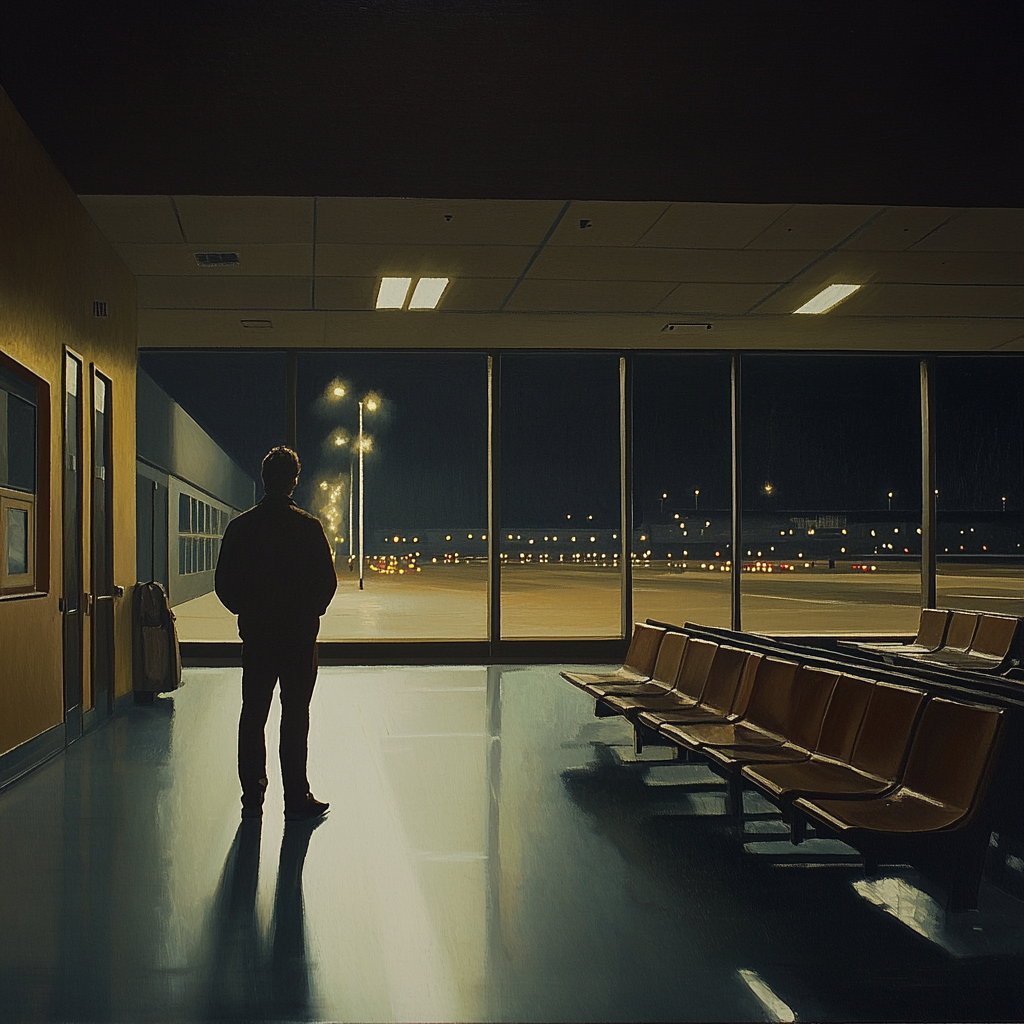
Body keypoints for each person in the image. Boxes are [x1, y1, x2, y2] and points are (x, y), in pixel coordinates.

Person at [215, 446, 338, 821]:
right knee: (295, 715)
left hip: (258, 637)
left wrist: (248, 612)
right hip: (299, 639)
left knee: (253, 714)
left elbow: (223, 584)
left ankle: (252, 797)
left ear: (265, 478)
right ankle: (296, 797)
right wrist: (306, 614)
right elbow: (327, 583)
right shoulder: (309, 527)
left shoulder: (242, 526)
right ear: (294, 481)